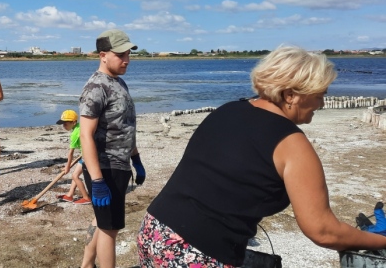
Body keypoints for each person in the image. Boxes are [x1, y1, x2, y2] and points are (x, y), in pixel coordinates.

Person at [137, 46, 386, 267]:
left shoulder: (228, 110)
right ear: (291, 95)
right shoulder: (292, 143)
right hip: (196, 253)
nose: (322, 103)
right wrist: (379, 241)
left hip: (156, 231)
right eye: (320, 94)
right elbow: (323, 231)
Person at [79, 29, 145, 268]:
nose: (126, 59)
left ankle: (87, 265)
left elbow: (125, 126)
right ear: (103, 55)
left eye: (128, 53)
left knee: (102, 222)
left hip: (120, 163)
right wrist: (97, 181)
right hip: (105, 167)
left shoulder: (118, 82)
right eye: (121, 55)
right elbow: (86, 135)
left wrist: (135, 158)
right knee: (110, 230)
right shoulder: (96, 87)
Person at [55, 109, 91, 205]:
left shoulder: (75, 134)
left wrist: (67, 167)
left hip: (87, 156)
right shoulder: (79, 127)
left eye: (65, 124)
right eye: (63, 124)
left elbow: (70, 153)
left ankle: (86, 198)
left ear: (74, 122)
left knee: (75, 176)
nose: (63, 126)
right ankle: (70, 195)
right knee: (75, 175)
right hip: (86, 154)